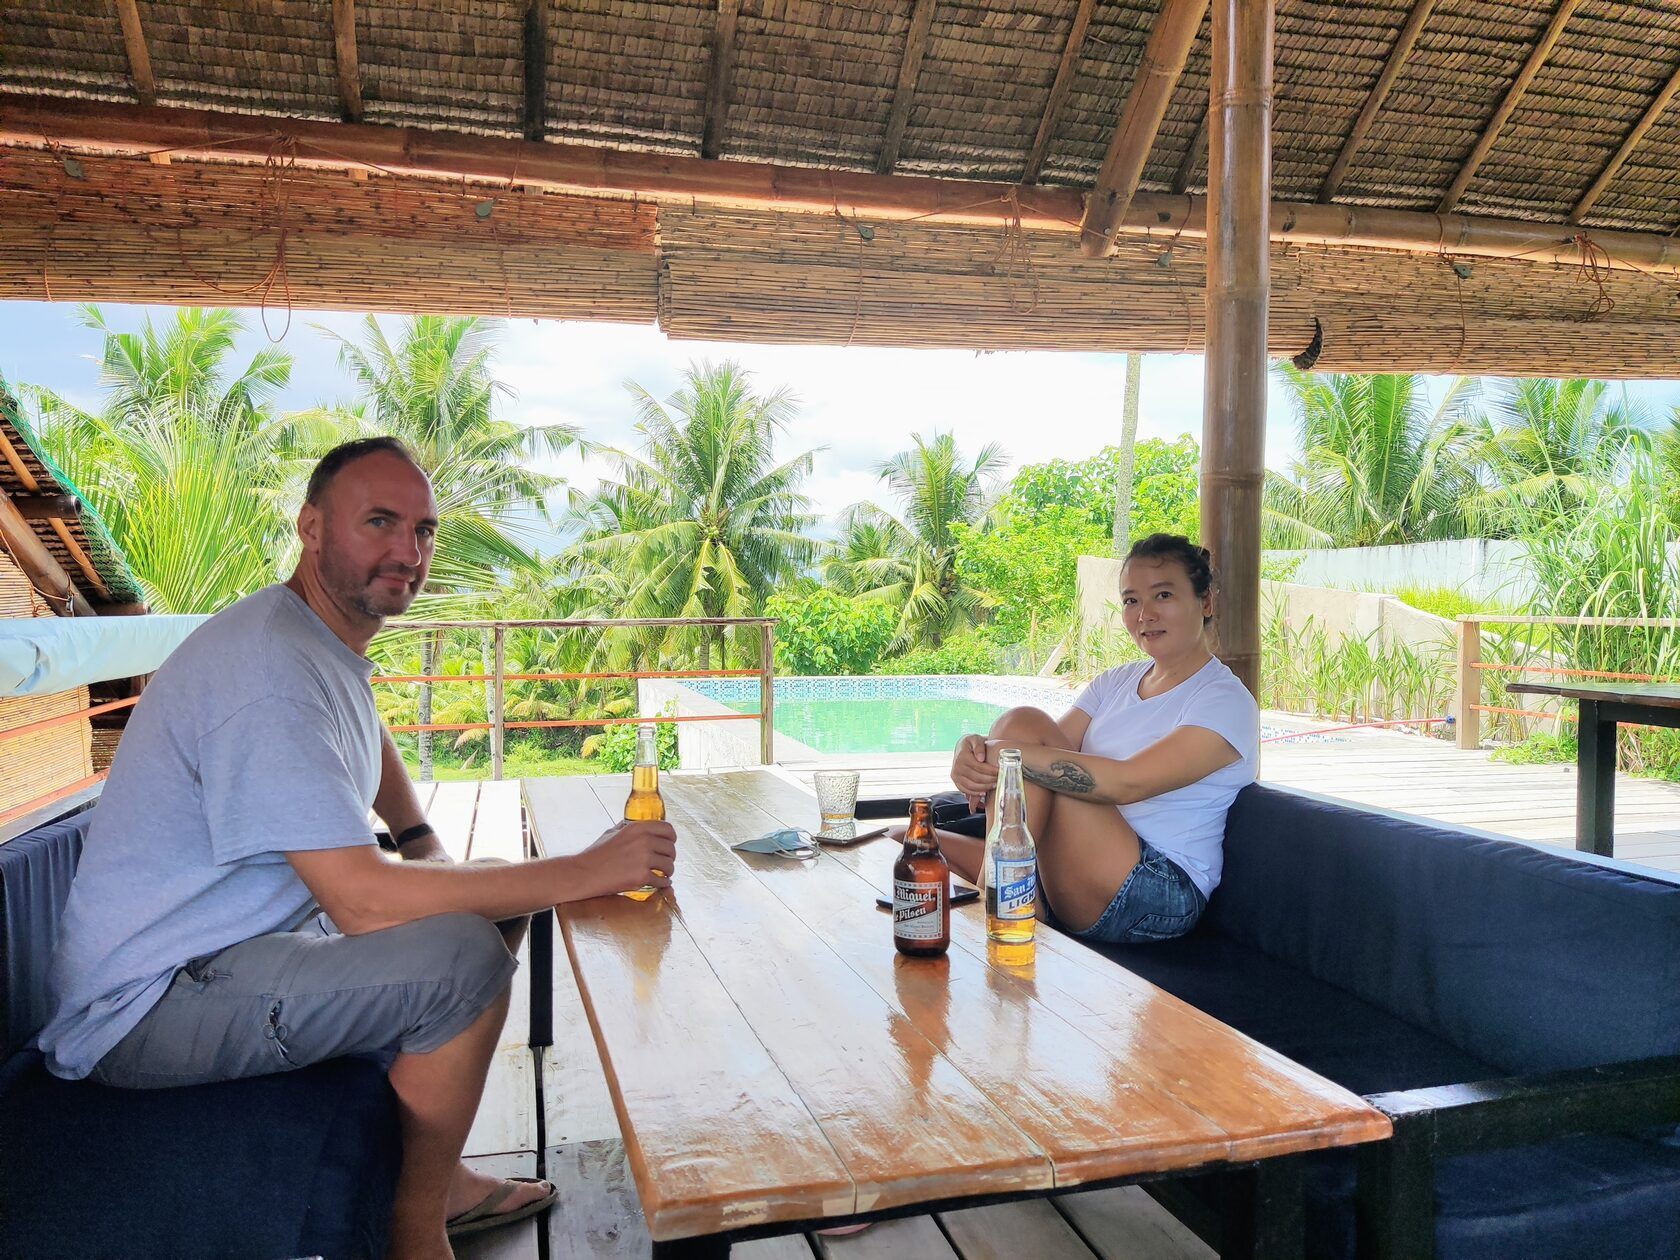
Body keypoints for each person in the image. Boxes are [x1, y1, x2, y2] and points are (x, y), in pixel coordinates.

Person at [37, 437, 678, 1260]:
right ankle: (412, 1236)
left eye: (423, 530)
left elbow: (360, 731)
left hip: (231, 953)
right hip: (148, 1005)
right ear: (312, 527)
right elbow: (360, 900)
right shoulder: (267, 668)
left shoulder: (313, 640)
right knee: (461, 959)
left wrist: (417, 838)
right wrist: (586, 870)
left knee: (484, 894)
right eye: (379, 521)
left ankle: (436, 1181)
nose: (407, 552)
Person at [930, 532, 1258, 944]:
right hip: (1084, 864)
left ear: (1206, 601)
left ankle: (992, 908)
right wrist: (973, 749)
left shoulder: (1225, 700)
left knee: (1022, 750)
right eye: (1131, 600)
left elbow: (1128, 781)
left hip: (1156, 890)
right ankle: (1006, 895)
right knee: (1019, 724)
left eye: (1163, 595)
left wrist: (1003, 756)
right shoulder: (1115, 682)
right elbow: (1036, 744)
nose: (1145, 614)